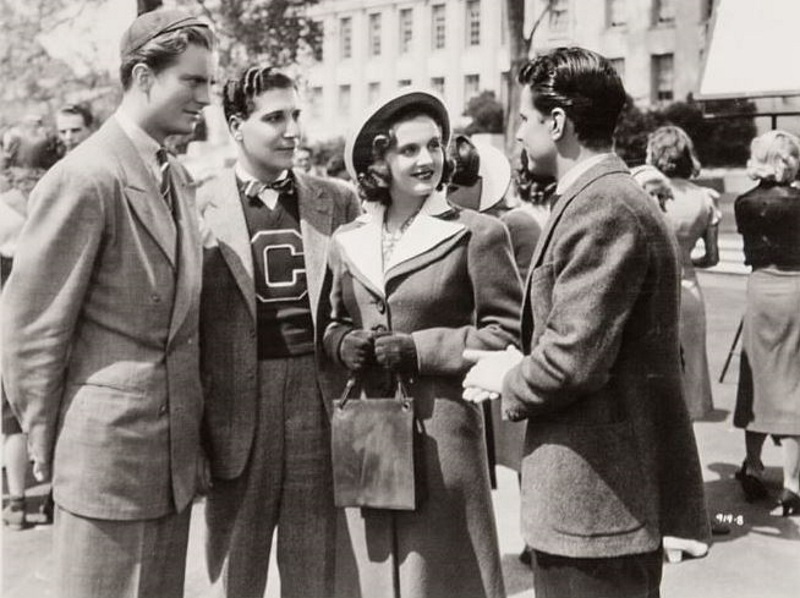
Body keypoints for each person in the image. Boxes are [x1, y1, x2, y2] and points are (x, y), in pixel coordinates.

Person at [463, 47, 709, 598]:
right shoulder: (598, 199)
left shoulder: (604, 208)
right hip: (593, 507)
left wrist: (505, 376)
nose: (519, 136)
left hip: (598, 509)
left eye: (524, 120)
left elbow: (572, 362)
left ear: (557, 122)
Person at [1, 10, 214, 597]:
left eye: (209, 83)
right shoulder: (86, 176)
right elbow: (30, 330)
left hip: (168, 459)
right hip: (102, 460)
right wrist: (50, 444)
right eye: (192, 82)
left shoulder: (175, 174)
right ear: (144, 76)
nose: (206, 98)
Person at [323, 88, 521, 598]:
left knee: (440, 577)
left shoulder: (478, 233)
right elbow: (331, 322)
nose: (427, 159)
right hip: (370, 435)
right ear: (379, 161)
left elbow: (508, 334)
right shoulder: (347, 239)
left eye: (434, 146)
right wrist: (343, 344)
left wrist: (419, 349)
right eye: (409, 150)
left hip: (443, 437)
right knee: (375, 572)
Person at [200, 66, 361, 598]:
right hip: (237, 412)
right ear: (235, 125)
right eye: (274, 118)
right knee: (235, 571)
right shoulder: (198, 204)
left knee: (314, 569)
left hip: (316, 400)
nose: (293, 130)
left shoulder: (336, 200)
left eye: (296, 114)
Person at [733, 130, 800, 516]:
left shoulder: (744, 203)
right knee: (792, 383)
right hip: (796, 289)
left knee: (756, 379)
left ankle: (754, 466)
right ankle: (792, 483)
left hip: (760, 289)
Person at [647, 125, 720, 420]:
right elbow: (712, 257)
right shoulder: (705, 198)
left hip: (653, 291)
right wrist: (688, 261)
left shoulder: (650, 194)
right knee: (690, 378)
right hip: (689, 287)